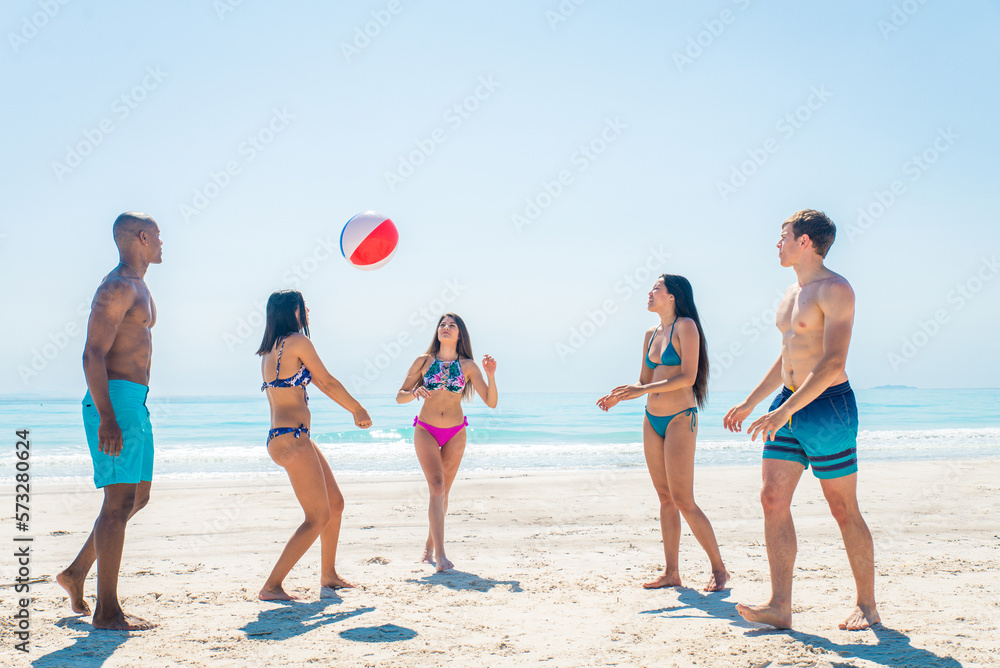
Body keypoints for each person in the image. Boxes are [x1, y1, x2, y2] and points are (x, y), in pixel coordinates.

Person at [724, 209, 879, 631]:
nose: (778, 243)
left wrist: (785, 410)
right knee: (771, 499)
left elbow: (831, 362)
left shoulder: (836, 289)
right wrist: (752, 403)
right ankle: (780, 606)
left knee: (842, 508)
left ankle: (867, 604)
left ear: (805, 241)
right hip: (787, 402)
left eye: (784, 236)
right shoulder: (790, 294)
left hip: (828, 407)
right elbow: (788, 357)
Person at [57, 212, 163, 630]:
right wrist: (107, 417)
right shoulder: (117, 287)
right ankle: (106, 612)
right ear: (141, 237)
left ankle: (76, 572)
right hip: (115, 401)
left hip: (135, 401)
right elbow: (92, 354)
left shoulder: (140, 286)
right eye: (157, 235)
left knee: (137, 497)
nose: (161, 242)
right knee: (117, 503)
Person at [599, 275, 729, 591]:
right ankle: (672, 572)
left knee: (683, 498)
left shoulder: (686, 326)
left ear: (672, 296)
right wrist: (621, 395)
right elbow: (643, 380)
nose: (650, 292)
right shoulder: (650, 334)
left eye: (656, 288)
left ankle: (719, 568)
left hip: (680, 418)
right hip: (651, 419)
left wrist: (640, 388)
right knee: (665, 498)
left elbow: (687, 377)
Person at [256, 290, 372, 601]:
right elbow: (328, 381)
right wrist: (357, 409)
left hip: (288, 436)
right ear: (293, 311)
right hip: (292, 438)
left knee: (334, 504)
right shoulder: (296, 341)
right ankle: (271, 586)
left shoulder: (273, 348)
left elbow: (319, 383)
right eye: (303, 304)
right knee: (316, 516)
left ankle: (329, 574)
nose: (308, 309)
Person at [396, 313, 498, 572]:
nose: (446, 328)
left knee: (443, 493)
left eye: (452, 325)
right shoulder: (424, 360)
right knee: (437, 487)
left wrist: (490, 374)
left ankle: (429, 547)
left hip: (455, 432)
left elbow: (491, 402)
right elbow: (400, 396)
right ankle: (440, 555)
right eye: (442, 324)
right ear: (437, 331)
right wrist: (414, 392)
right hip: (426, 430)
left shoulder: (469, 366)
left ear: (460, 334)